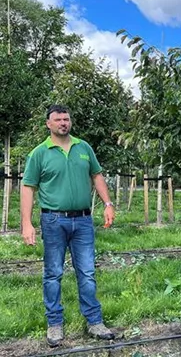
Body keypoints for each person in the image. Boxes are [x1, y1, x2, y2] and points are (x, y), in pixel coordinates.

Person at [20, 105, 116, 347]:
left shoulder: (83, 148)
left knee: (87, 272)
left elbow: (97, 175)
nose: (63, 123)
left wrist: (108, 203)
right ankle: (54, 324)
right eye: (58, 119)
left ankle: (94, 322)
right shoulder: (39, 153)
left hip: (83, 220)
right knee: (53, 273)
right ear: (48, 124)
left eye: (66, 119)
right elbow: (28, 188)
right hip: (53, 221)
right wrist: (26, 224)